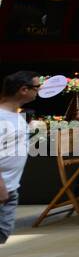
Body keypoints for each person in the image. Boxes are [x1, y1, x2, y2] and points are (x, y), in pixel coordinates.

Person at [0, 72, 40, 245]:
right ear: (24, 89)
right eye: (37, 88)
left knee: (2, 232)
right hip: (3, 186)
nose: (38, 91)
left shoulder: (17, 116)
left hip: (11, 187)